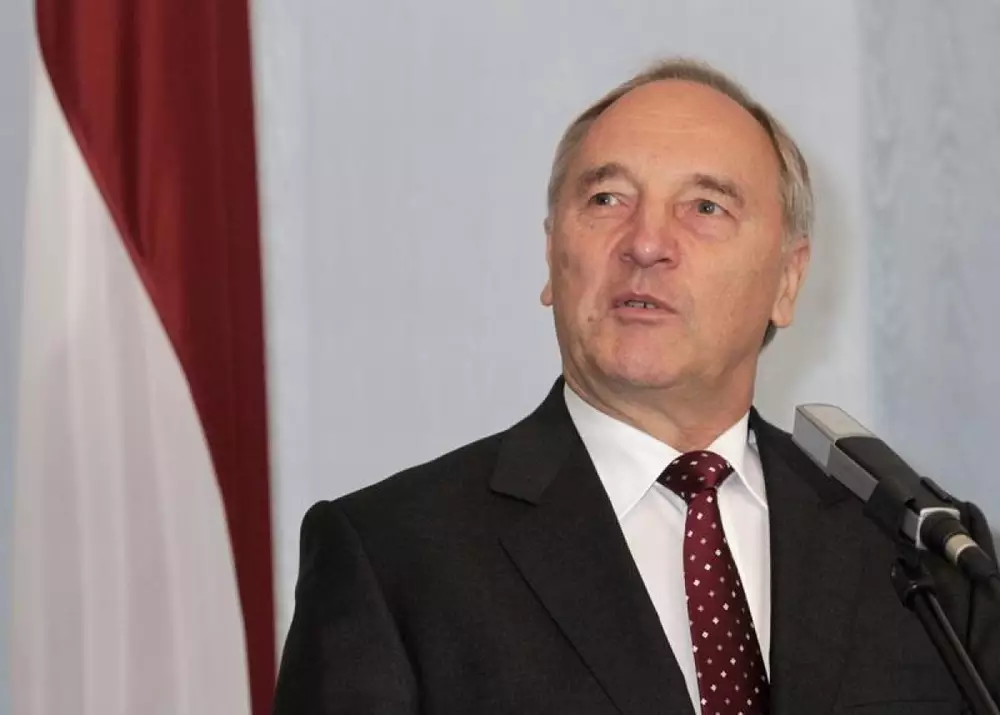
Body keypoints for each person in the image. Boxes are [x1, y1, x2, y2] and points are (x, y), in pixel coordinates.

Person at [271, 58, 1000, 714]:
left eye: (706, 207)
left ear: (788, 279)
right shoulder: (394, 559)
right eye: (606, 199)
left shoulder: (919, 551)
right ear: (552, 255)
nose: (646, 243)